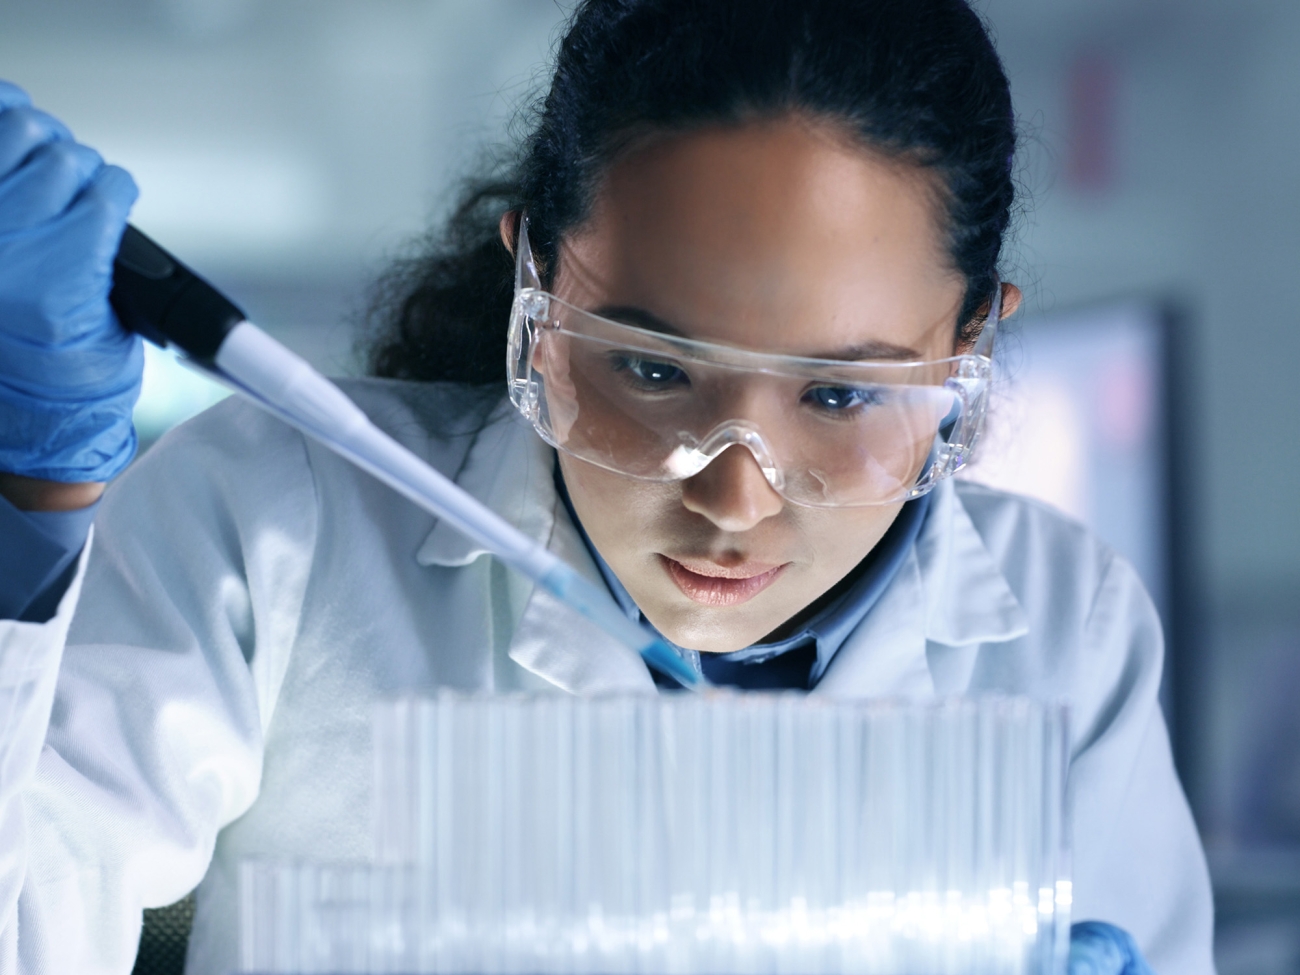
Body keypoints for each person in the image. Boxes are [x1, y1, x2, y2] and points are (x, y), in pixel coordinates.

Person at [0, 0, 1211, 972]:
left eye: (839, 397)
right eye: (650, 369)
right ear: (537, 285)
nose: (733, 503)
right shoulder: (279, 517)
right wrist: (33, 507)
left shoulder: (1066, 626)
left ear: (972, 347)